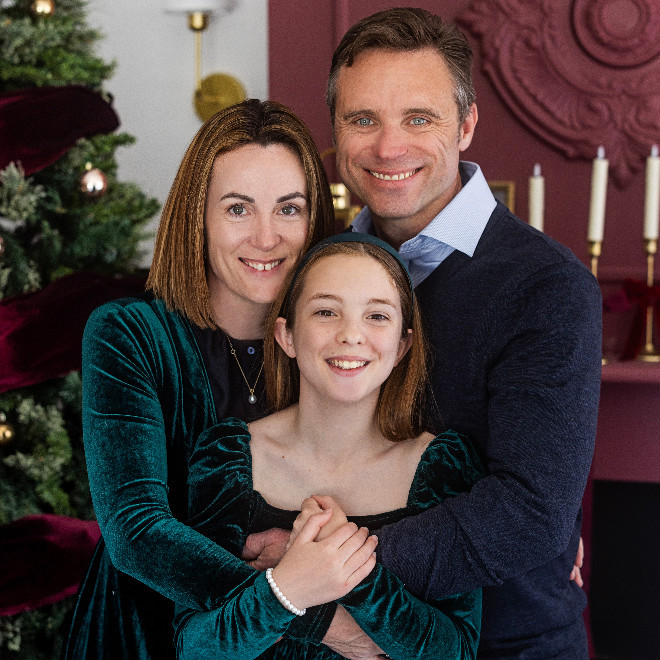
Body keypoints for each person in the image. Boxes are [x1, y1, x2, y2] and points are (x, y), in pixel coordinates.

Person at [246, 9, 602, 659]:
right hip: (331, 641)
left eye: (419, 118)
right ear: (335, 130)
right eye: (363, 119)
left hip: (504, 642)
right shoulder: (312, 271)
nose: (389, 148)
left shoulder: (547, 286)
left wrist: (325, 566)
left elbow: (530, 512)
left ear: (465, 125)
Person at [62, 99, 336, 659]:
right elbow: (138, 532)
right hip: (145, 631)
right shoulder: (128, 334)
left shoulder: (342, 343)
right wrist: (312, 612)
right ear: (198, 217)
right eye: (238, 209)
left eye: (289, 209)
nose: (266, 237)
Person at [174, 233, 484, 659]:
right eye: (325, 311)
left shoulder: (441, 468)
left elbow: (457, 651)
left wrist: (349, 565)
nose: (351, 334)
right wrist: (288, 589)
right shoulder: (228, 458)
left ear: (402, 346)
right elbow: (194, 646)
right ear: (286, 335)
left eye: (377, 316)